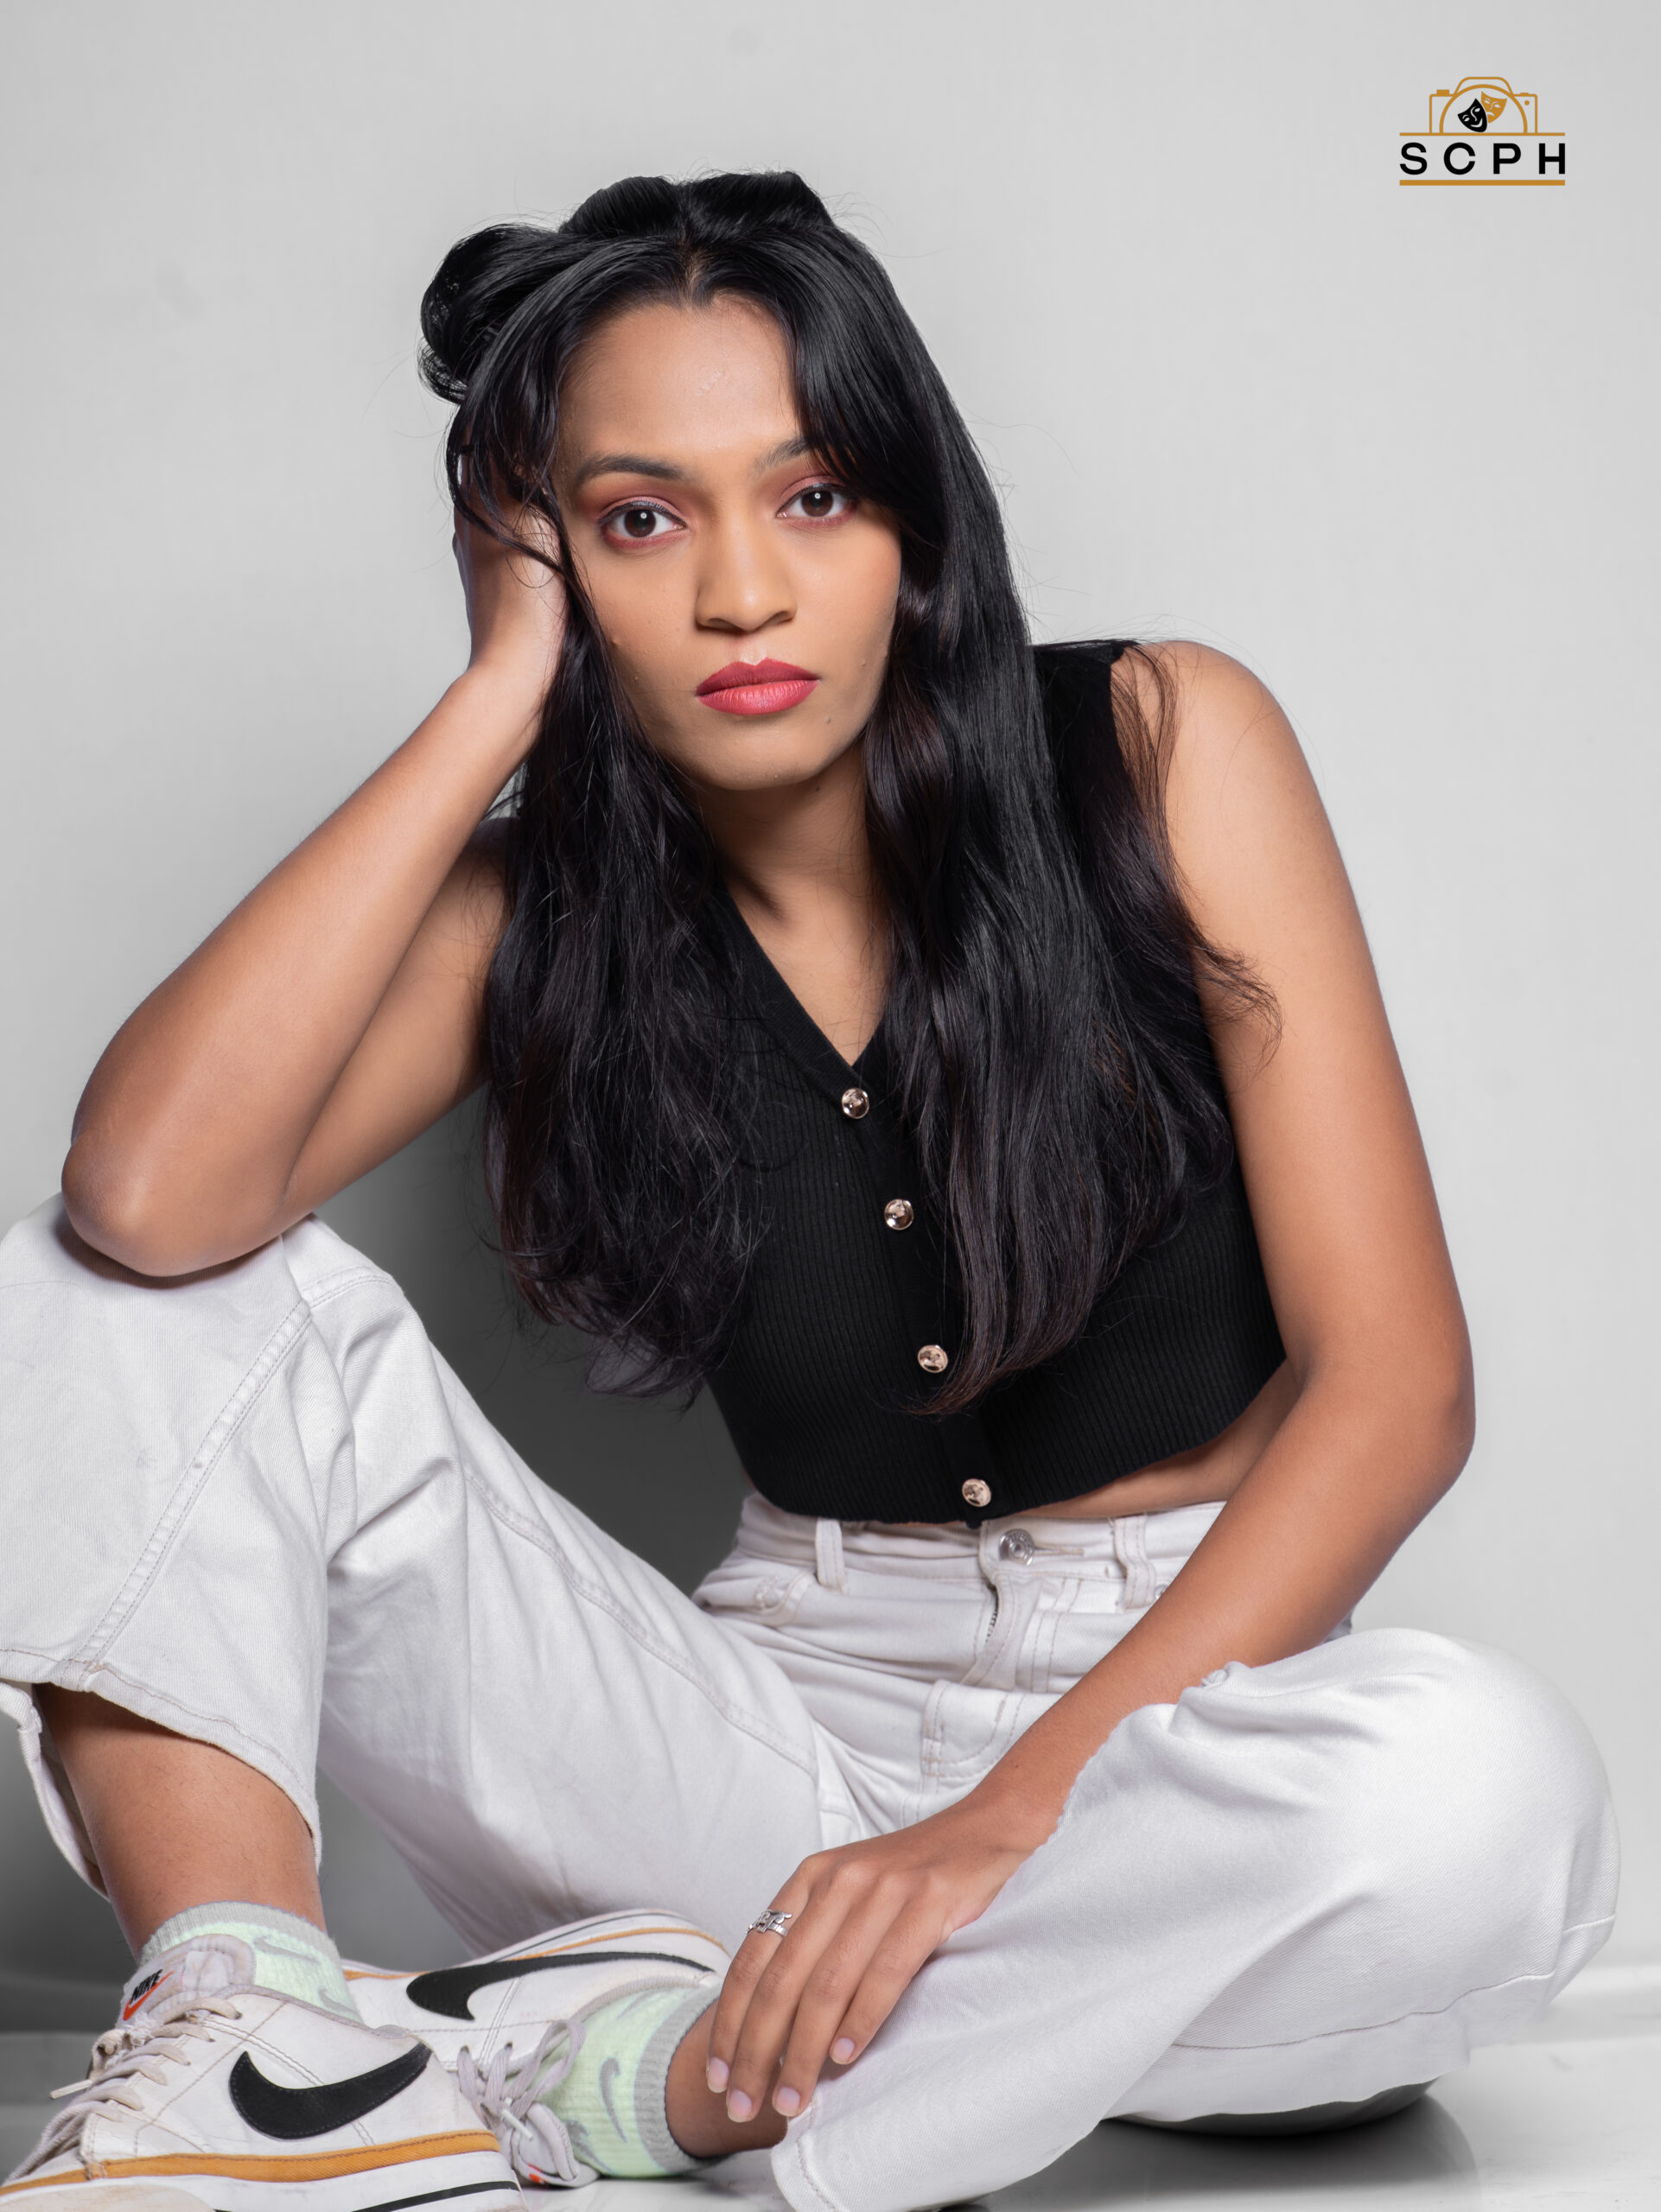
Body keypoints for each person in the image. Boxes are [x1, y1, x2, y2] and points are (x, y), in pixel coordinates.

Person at [0, 170, 1615, 2212]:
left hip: (1177, 1758)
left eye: (815, 494)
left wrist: (998, 1826)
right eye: (639, 519)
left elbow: (1395, 1390)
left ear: (914, 520)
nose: (742, 593)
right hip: (766, 1759)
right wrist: (493, 693)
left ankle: (644, 2077)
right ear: (544, 552)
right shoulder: (542, 902)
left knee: (1478, 1779)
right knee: (88, 1284)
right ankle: (256, 2041)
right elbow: (145, 1201)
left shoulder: (1155, 740)